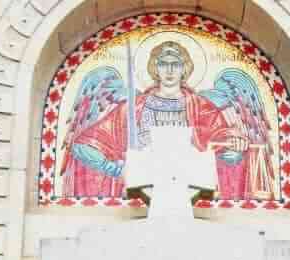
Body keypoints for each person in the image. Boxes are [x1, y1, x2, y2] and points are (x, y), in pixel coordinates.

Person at [60, 41, 252, 199]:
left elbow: (225, 150)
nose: (169, 70)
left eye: (176, 64)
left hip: (188, 187)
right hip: (143, 187)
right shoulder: (133, 108)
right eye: (163, 63)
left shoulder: (201, 108)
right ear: (155, 68)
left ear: (184, 69)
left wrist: (235, 147)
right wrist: (117, 170)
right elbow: (82, 146)